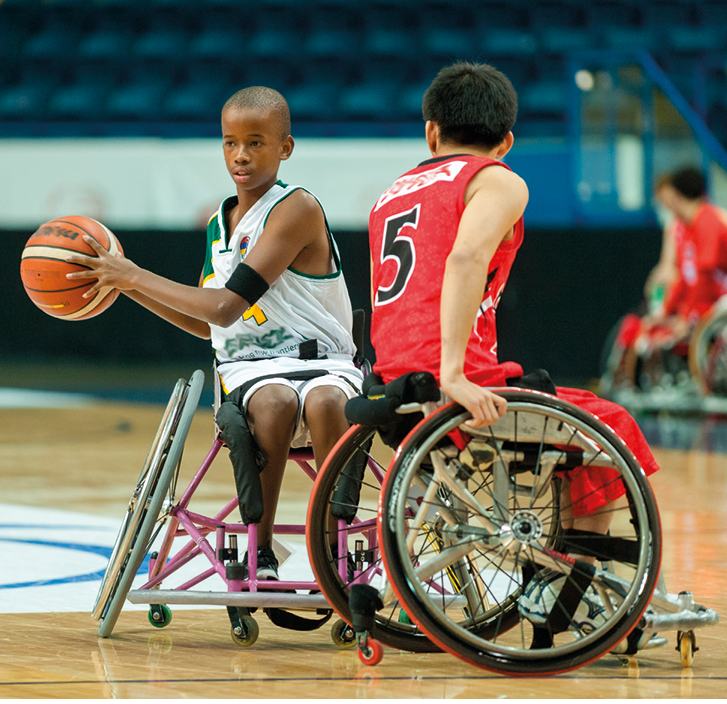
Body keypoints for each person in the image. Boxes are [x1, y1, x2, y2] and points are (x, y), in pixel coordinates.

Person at [368, 61, 660, 634]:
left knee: (567, 411)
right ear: (505, 141)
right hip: (452, 377)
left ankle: (564, 583)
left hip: (392, 374)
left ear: (431, 132)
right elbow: (466, 257)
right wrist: (453, 373)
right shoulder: (497, 178)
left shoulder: (393, 192)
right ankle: (575, 590)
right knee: (613, 423)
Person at [67, 86, 363, 580]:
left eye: (255, 142)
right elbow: (211, 323)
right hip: (251, 369)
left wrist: (132, 274)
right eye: (230, 143)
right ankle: (260, 548)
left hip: (326, 361)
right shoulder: (217, 224)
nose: (240, 155)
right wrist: (124, 286)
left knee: (327, 401)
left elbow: (226, 307)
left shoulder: (297, 208)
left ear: (285, 148)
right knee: (273, 402)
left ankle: (336, 549)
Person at [608, 167, 727, 391]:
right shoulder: (685, 227)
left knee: (680, 329)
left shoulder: (708, 221)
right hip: (705, 303)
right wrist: (666, 313)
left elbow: (705, 278)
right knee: (650, 327)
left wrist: (687, 317)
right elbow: (685, 279)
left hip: (718, 303)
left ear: (674, 194)